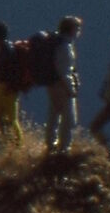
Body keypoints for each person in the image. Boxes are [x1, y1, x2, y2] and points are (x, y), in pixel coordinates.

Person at [33, 15, 83, 152]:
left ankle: (50, 144)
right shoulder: (65, 46)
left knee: (54, 114)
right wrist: (71, 89)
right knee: (69, 119)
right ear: (71, 29)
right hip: (62, 86)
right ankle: (64, 148)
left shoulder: (56, 42)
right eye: (77, 27)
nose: (79, 30)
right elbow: (64, 71)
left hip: (52, 84)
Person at [0, 19, 29, 147]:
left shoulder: (7, 50)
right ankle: (8, 141)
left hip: (7, 89)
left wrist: (11, 86)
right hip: (3, 88)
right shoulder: (6, 49)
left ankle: (17, 145)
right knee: (1, 118)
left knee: (11, 119)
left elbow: (13, 71)